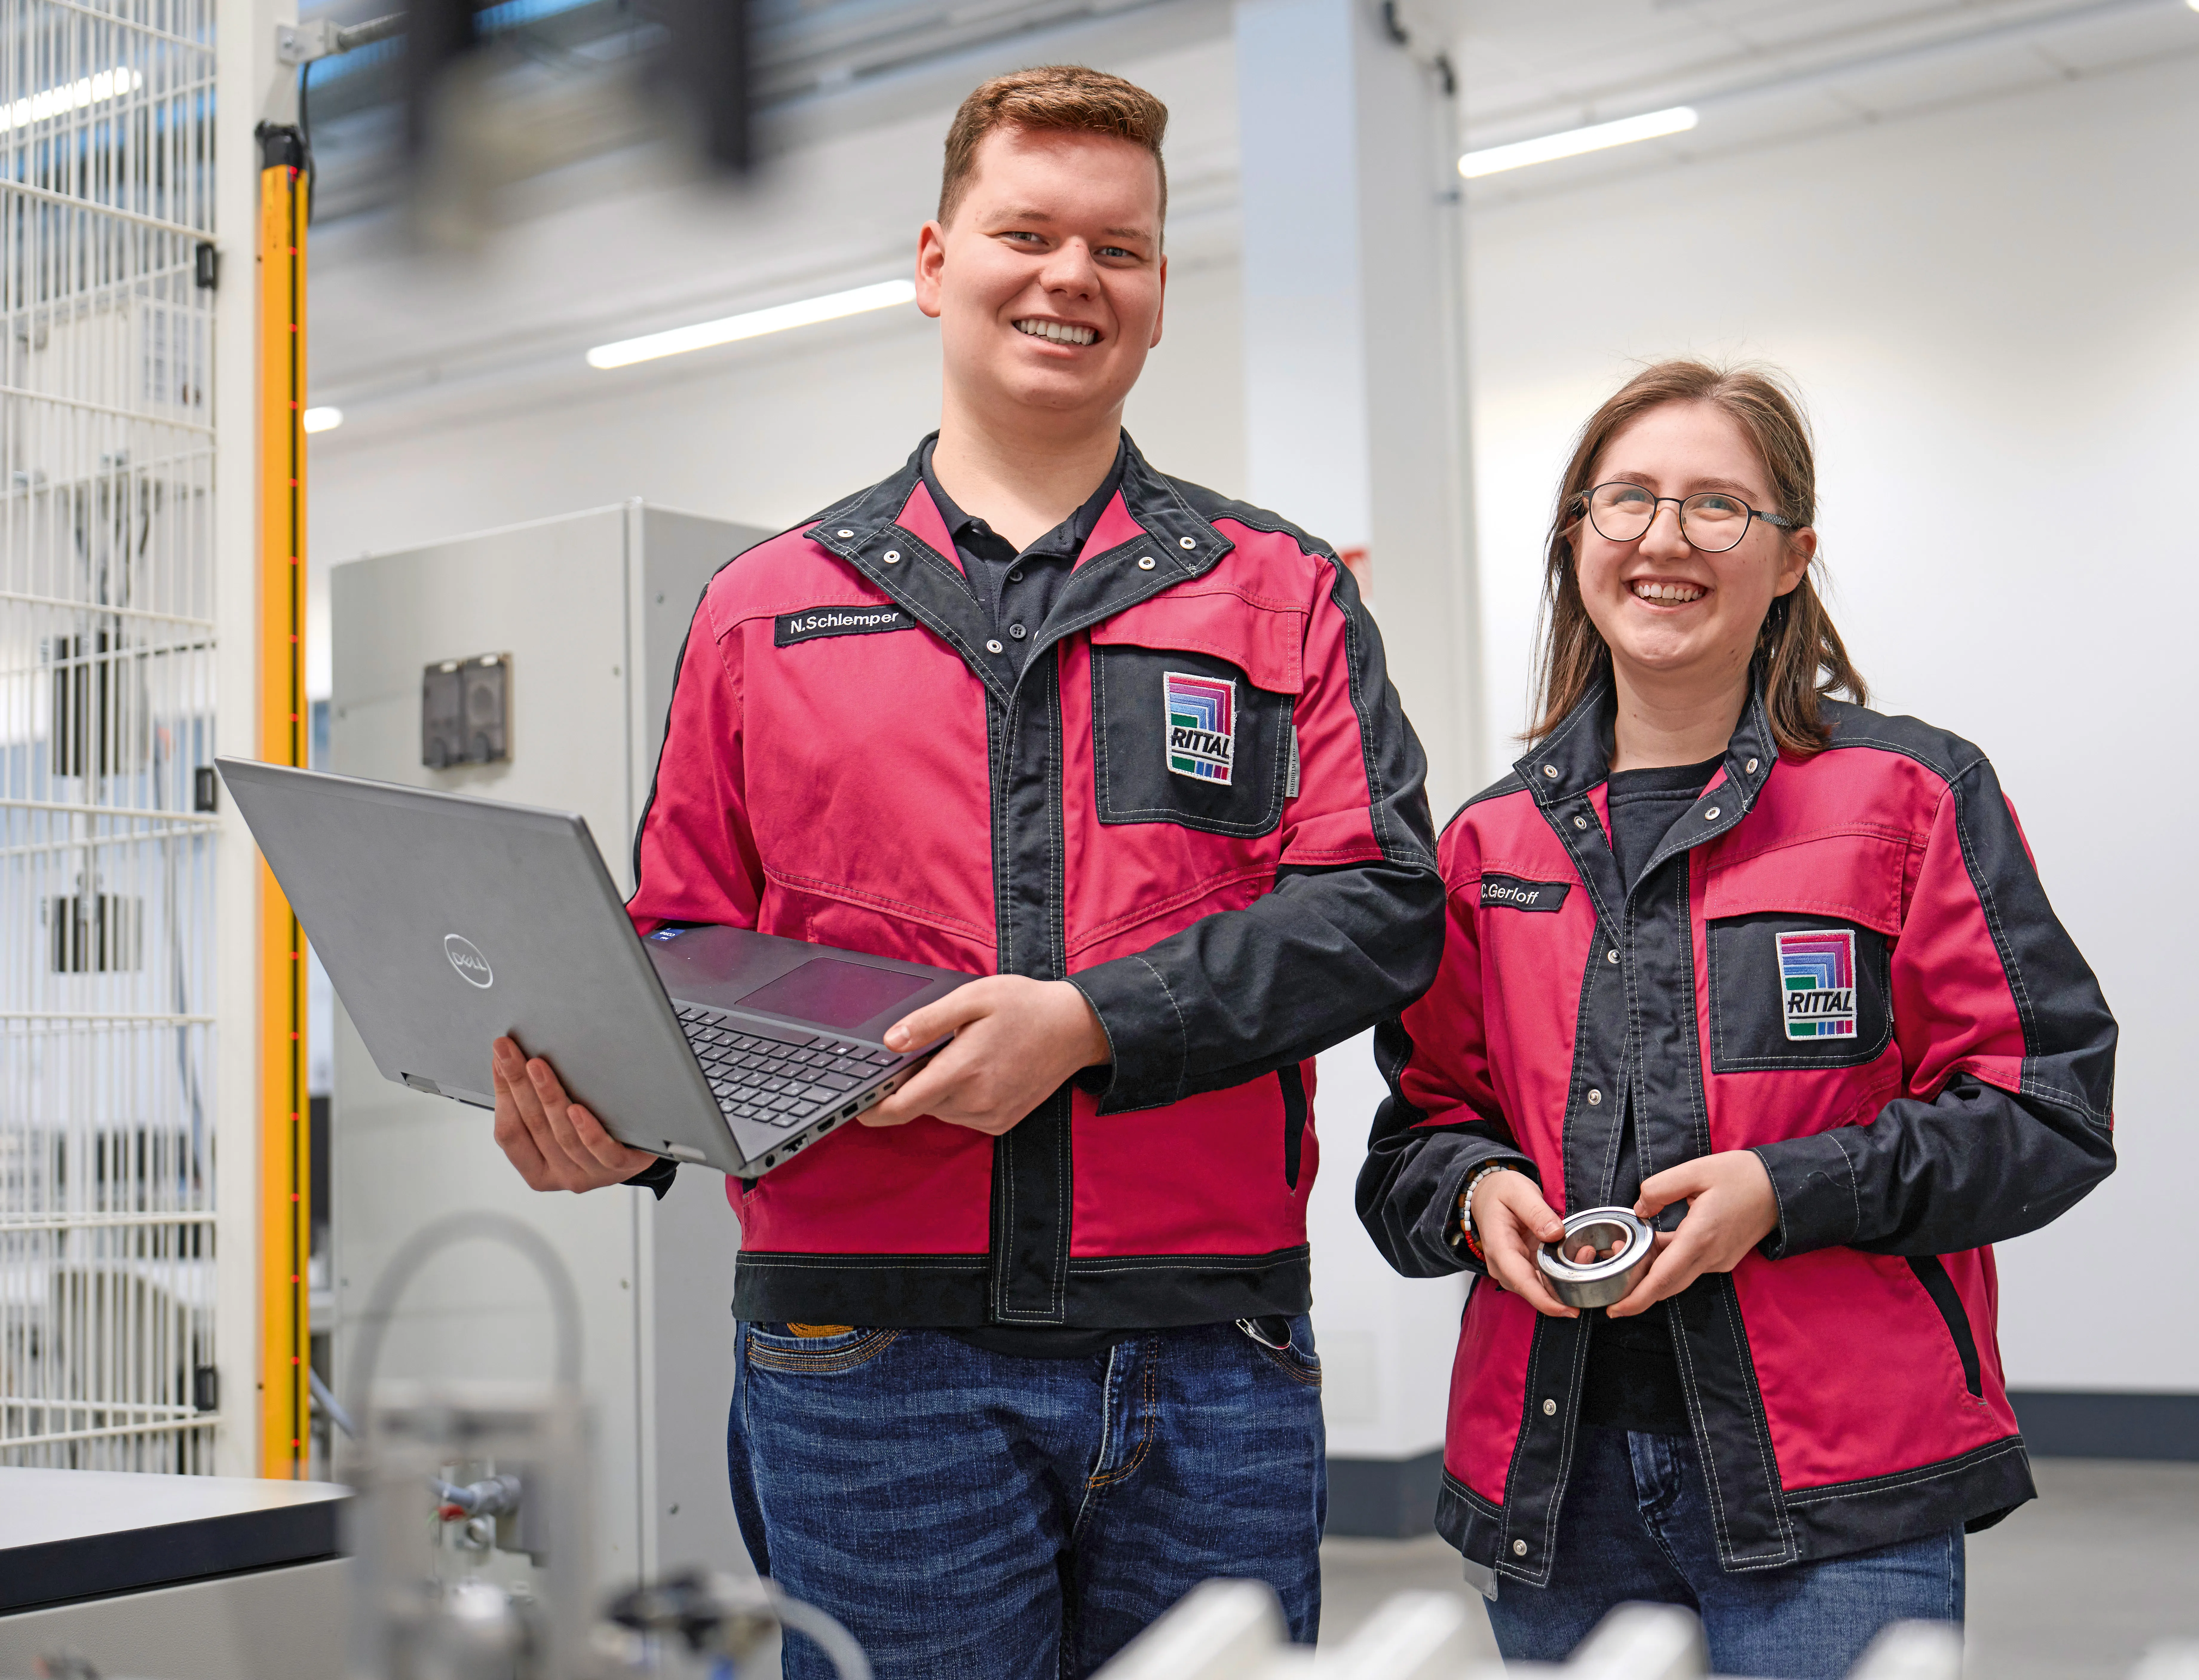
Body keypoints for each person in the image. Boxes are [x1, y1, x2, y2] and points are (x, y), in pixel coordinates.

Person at [482, 66, 1442, 1679]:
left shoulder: (1273, 594)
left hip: (1211, 1350)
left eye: (1119, 250)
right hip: (865, 1359)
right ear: (936, 261)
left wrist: (1091, 1022)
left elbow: (1375, 910)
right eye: (1027, 232)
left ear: (1155, 298)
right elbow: (683, 944)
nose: (1072, 276)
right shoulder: (763, 610)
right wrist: (615, 1128)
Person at [1356, 360, 2117, 1676]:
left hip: (1837, 1496)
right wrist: (1476, 1191)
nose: (1665, 539)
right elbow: (1420, 1134)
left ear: (1792, 557)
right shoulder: (1491, 841)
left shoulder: (1911, 798)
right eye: (1629, 500)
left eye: (1720, 507)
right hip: (1557, 1488)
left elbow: (2046, 1104)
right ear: (1577, 542)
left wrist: (1783, 1187)